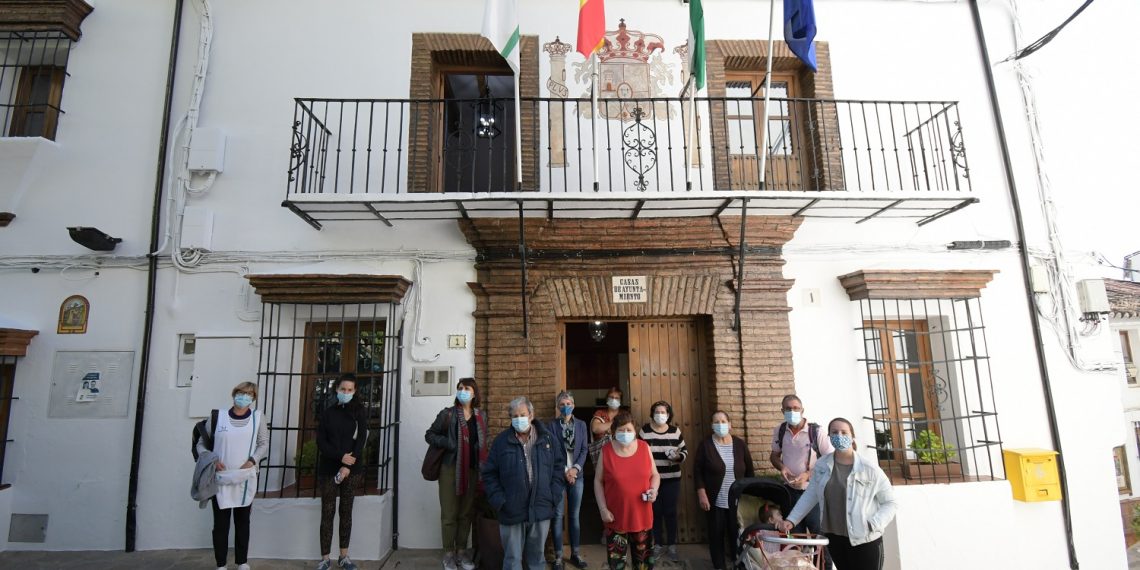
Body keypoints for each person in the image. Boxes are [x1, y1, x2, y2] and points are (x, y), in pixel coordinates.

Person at [778, 418, 898, 570]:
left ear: (852, 436)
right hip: (835, 538)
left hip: (864, 539)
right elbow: (810, 495)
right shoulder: (822, 465)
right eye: (834, 432)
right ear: (829, 436)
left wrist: (874, 524)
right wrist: (792, 520)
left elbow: (890, 502)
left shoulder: (869, 469)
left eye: (843, 432)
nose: (839, 436)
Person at [482, 396, 566, 570]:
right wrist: (500, 501)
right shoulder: (501, 442)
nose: (519, 418)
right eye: (514, 415)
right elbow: (489, 474)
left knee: (537, 559)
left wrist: (553, 496)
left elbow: (559, 468)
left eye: (522, 414)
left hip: (541, 508)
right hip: (511, 510)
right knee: (512, 560)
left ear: (531, 414)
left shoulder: (548, 439)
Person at [196, 381, 269, 570]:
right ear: (234, 393)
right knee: (221, 523)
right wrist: (212, 460)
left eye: (249, 394)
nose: (244, 397)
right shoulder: (217, 417)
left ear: (253, 399)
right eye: (241, 393)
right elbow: (201, 444)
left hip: (246, 476)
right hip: (220, 476)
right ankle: (221, 564)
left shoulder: (257, 418)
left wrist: (252, 461)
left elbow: (263, 443)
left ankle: (242, 562)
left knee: (243, 521)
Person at [426, 378, 491, 570]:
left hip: (472, 470)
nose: (462, 391)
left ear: (474, 393)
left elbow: (484, 440)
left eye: (466, 388)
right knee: (449, 513)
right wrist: (448, 443)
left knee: (465, 513)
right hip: (449, 469)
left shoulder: (481, 416)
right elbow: (430, 434)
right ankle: (448, 553)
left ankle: (461, 552)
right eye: (460, 388)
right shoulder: (448, 414)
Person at [769, 394, 833, 568]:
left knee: (818, 538)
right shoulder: (780, 430)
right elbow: (774, 455)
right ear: (782, 411)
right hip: (789, 492)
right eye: (788, 409)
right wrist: (781, 467)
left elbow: (830, 459)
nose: (792, 411)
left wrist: (808, 474)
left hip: (813, 493)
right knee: (794, 541)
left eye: (796, 408)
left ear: (802, 410)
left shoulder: (816, 432)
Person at [315, 374, 368, 570]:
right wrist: (340, 457)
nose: (345, 393)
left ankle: (344, 557)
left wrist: (347, 464)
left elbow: (361, 439)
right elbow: (321, 441)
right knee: (327, 512)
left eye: (349, 390)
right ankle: (325, 558)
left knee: (346, 511)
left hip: (352, 469)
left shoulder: (359, 412)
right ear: (336, 389)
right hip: (329, 468)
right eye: (342, 389)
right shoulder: (327, 413)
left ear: (354, 392)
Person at [595, 411, 660, 570]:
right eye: (621, 430)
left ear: (635, 431)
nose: (625, 433)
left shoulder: (644, 448)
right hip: (615, 518)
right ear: (614, 431)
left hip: (642, 517)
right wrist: (602, 509)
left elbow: (655, 474)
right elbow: (597, 481)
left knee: (643, 565)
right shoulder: (606, 451)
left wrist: (654, 490)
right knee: (617, 566)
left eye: (629, 430)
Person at [694, 411, 754, 570]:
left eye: (723, 421)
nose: (720, 424)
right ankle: (719, 566)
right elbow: (698, 471)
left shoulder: (740, 444)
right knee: (716, 535)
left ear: (729, 424)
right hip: (715, 500)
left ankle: (739, 563)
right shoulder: (706, 445)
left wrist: (748, 495)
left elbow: (749, 471)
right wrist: (702, 493)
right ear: (711, 426)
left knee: (738, 534)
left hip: (737, 501)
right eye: (716, 422)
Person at [638, 401, 687, 562]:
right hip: (651, 481)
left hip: (672, 479)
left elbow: (684, 451)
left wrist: (678, 457)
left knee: (670, 512)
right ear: (652, 414)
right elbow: (638, 451)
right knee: (655, 513)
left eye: (663, 412)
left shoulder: (675, 431)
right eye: (657, 412)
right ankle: (658, 544)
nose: (660, 414)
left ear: (668, 414)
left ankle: (671, 545)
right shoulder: (644, 432)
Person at [546, 391, 590, 570]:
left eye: (569, 403)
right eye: (562, 404)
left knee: (574, 516)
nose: (566, 406)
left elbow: (584, 450)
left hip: (577, 476)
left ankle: (575, 554)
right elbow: (551, 451)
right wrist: (565, 471)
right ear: (558, 407)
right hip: (558, 476)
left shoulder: (581, 425)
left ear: (573, 404)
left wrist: (574, 470)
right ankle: (558, 557)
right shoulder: (551, 426)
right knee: (557, 516)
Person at [589, 387, 624, 464]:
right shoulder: (600, 413)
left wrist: (605, 427)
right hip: (601, 453)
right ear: (607, 399)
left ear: (620, 401)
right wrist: (615, 424)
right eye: (611, 397)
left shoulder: (624, 414)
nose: (614, 400)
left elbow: (626, 431)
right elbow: (595, 428)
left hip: (620, 451)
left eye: (617, 398)